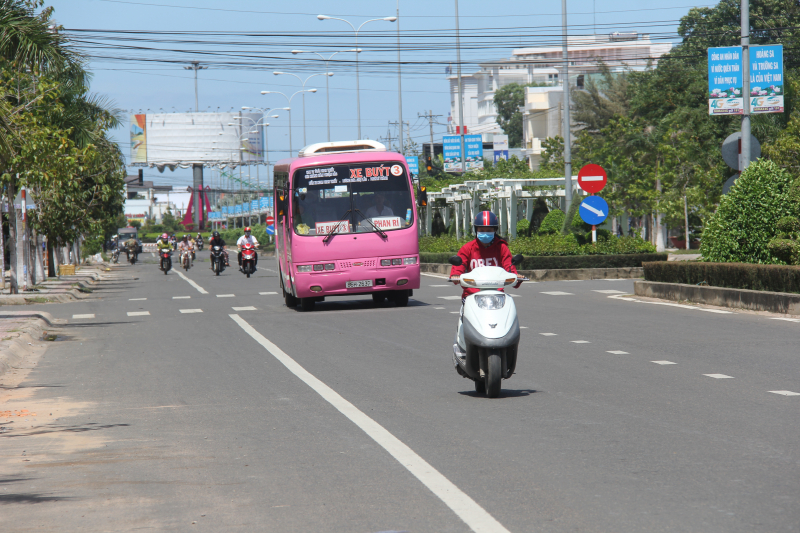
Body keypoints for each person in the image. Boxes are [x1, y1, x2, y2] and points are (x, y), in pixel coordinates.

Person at [449, 211, 522, 301]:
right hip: (471, 296)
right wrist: (456, 275)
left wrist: (516, 277)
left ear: (494, 230)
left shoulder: (501, 247)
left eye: (489, 230)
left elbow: (509, 267)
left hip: (496, 295)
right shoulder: (467, 248)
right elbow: (460, 265)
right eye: (481, 230)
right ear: (476, 230)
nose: (485, 233)